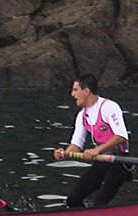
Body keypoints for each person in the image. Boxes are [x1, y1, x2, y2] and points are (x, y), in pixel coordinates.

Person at [52, 73, 132, 208]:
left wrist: (96, 150)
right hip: (102, 161)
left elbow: (121, 136)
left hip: (120, 161)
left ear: (86, 91)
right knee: (73, 200)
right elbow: (76, 145)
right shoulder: (81, 116)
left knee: (99, 203)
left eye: (75, 90)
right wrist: (64, 153)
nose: (72, 94)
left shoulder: (109, 107)